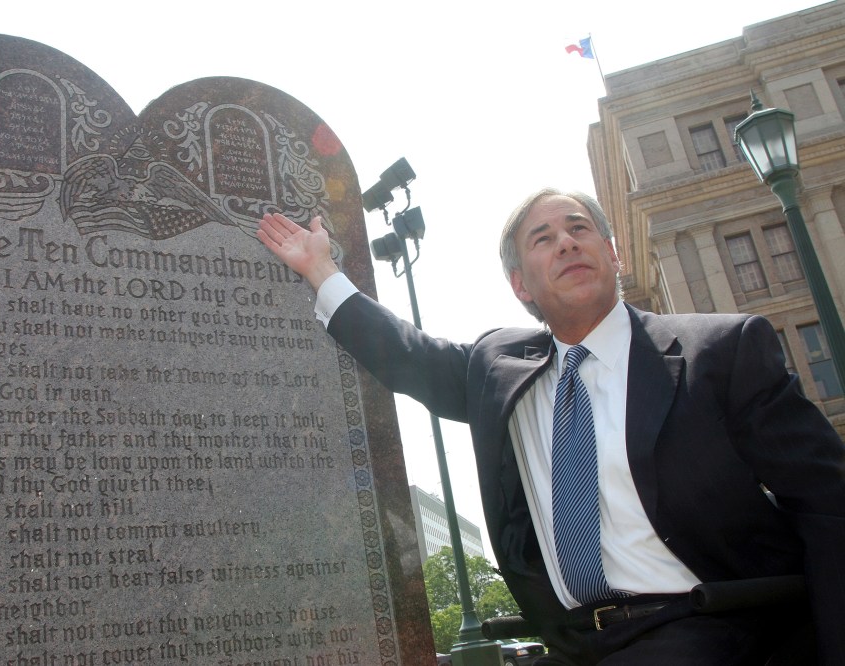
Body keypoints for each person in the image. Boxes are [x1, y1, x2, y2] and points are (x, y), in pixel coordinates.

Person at [256, 188, 845, 665]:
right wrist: (321, 270)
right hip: (572, 644)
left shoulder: (720, 351)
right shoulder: (499, 370)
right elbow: (408, 354)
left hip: (714, 623)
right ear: (520, 286)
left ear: (615, 255)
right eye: (544, 239)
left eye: (580, 228)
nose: (567, 242)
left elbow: (828, 503)